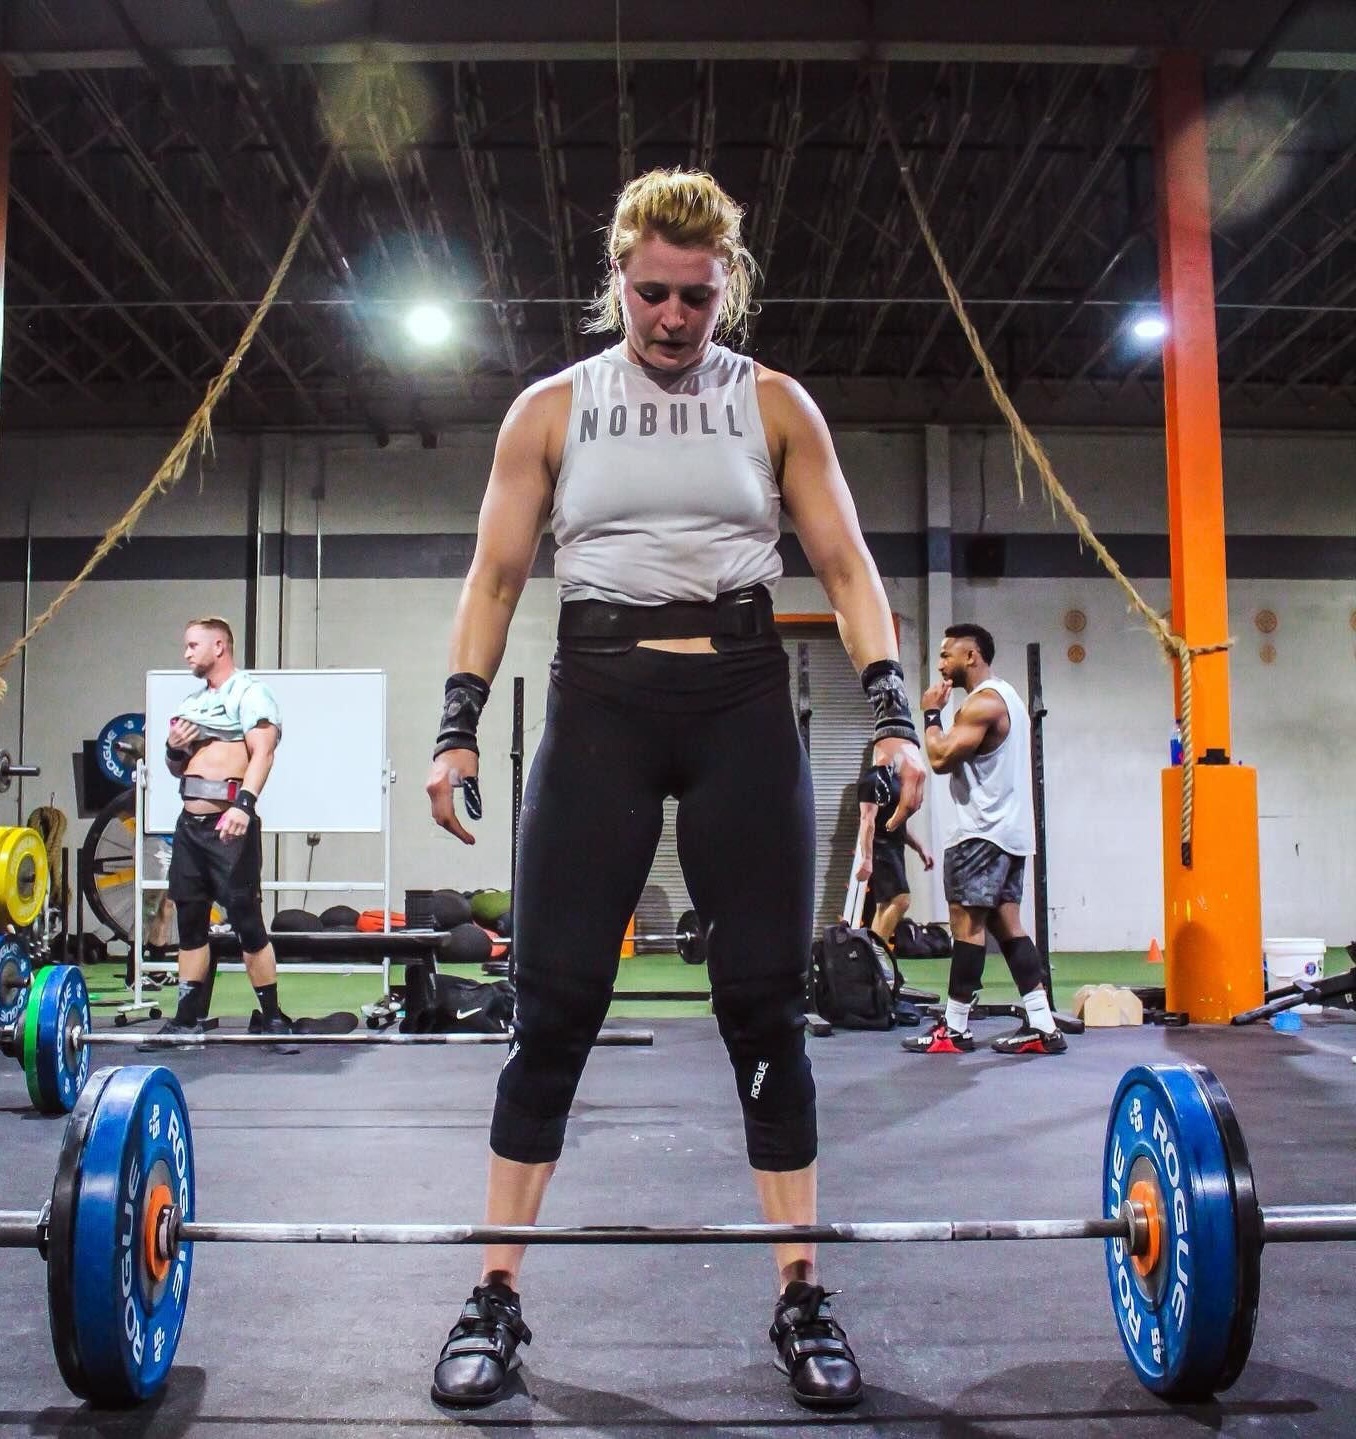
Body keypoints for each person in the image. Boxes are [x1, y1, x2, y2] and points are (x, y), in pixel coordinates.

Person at [423, 168, 925, 1412]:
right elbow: (492, 581)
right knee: (552, 1010)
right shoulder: (551, 409)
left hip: (744, 703)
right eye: (650, 292)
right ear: (617, 281)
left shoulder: (774, 404)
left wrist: (899, 712)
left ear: (727, 285)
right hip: (597, 705)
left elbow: (849, 566)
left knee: (764, 1007)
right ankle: (495, 1295)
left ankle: (800, 1293)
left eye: (695, 295)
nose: (670, 316)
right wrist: (457, 731)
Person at [901, 623, 1066, 1057]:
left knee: (967, 926)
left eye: (946, 655)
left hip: (981, 832)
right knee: (1006, 924)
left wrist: (932, 714)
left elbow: (938, 758)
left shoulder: (984, 703)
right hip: (1009, 834)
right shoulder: (1008, 696)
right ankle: (1043, 1025)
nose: (940, 664)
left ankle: (954, 1028)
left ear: (971, 656)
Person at [146, 617, 290, 1044]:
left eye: (194, 645)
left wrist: (245, 805)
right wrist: (173, 750)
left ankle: (272, 1016)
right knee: (190, 922)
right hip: (189, 826)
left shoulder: (250, 694)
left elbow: (263, 752)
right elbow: (177, 767)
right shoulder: (192, 703)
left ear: (220, 646)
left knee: (247, 922)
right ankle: (187, 1018)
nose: (187, 653)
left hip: (230, 825)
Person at [855, 761, 934, 946]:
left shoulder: (895, 779)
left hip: (895, 848)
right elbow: (867, 820)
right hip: (881, 848)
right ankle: (877, 958)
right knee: (901, 900)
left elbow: (898, 823)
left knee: (883, 907)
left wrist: (920, 848)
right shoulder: (873, 780)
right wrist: (866, 858)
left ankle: (872, 964)